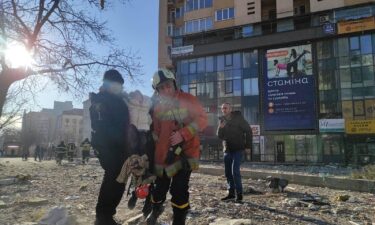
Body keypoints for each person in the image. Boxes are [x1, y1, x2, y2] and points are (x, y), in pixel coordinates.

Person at [145, 68, 208, 225]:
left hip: (185, 153)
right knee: (159, 189)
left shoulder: (189, 99)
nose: (166, 90)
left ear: (173, 83)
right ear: (157, 91)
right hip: (164, 155)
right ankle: (156, 210)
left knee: (179, 190)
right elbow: (156, 132)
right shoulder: (158, 107)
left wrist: (184, 133)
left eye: (168, 85)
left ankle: (179, 220)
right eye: (161, 88)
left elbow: (203, 120)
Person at [90, 69, 130, 225]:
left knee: (121, 179)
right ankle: (102, 216)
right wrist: (122, 137)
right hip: (107, 146)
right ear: (107, 84)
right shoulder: (100, 100)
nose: (118, 87)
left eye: (120, 85)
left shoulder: (120, 100)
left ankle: (109, 213)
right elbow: (101, 126)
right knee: (112, 177)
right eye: (115, 84)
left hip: (121, 147)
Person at [217, 103, 252, 202]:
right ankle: (231, 193)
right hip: (227, 150)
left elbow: (248, 131)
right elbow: (219, 136)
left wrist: (248, 146)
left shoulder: (238, 118)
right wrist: (221, 128)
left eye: (226, 108)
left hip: (238, 149)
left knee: (234, 171)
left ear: (230, 109)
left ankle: (239, 194)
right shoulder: (222, 120)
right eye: (222, 108)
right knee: (228, 172)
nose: (224, 110)